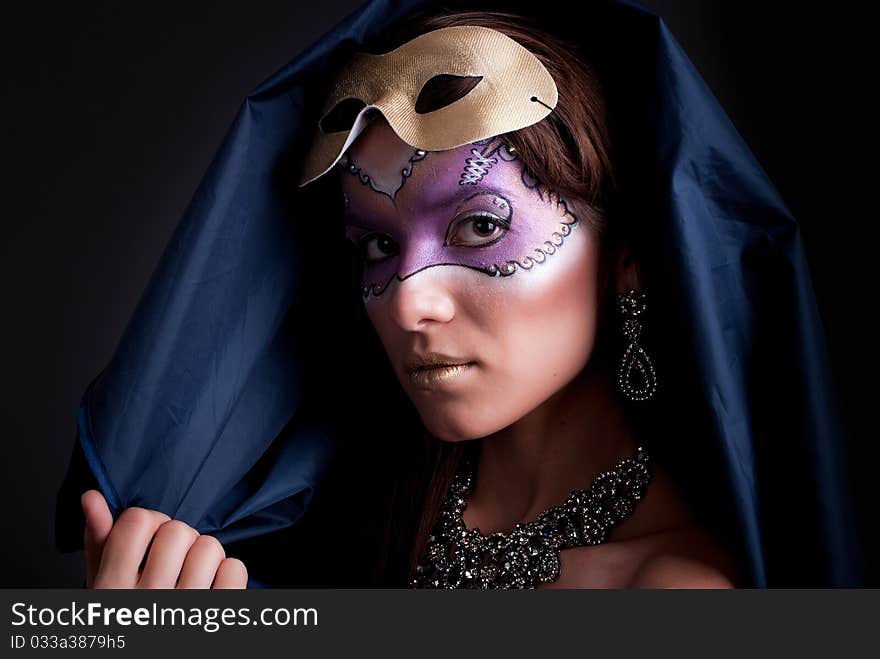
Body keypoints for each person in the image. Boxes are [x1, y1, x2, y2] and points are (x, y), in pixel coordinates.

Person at [56, 0, 865, 589]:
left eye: (479, 227)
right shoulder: (298, 534)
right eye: (375, 244)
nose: (408, 303)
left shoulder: (674, 589)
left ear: (627, 256)